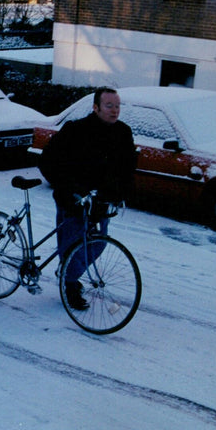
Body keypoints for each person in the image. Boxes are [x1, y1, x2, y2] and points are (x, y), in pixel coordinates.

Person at [39, 87, 137, 310]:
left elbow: (128, 166)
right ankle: (70, 284)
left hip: (101, 200)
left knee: (98, 243)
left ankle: (68, 271)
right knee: (72, 242)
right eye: (109, 106)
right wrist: (70, 189)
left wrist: (122, 192)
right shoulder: (76, 130)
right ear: (96, 107)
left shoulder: (123, 132)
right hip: (73, 198)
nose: (114, 111)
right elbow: (49, 161)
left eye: (117, 106)